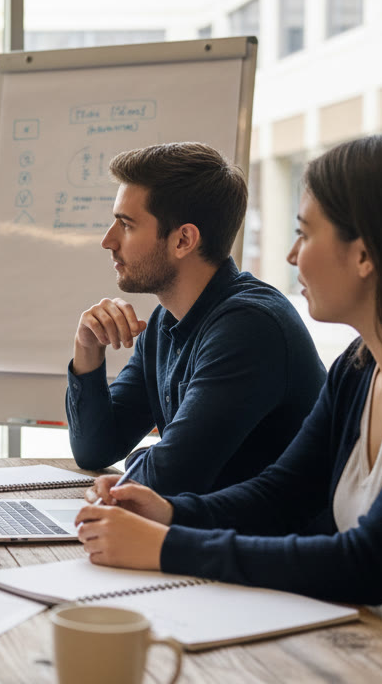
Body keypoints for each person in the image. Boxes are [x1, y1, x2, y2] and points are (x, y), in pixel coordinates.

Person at [75, 132, 382, 676]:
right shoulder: (359, 368)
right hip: (361, 646)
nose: (291, 256)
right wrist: (168, 513)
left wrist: (166, 545)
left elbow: (370, 563)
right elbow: (280, 493)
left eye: (304, 234)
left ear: (365, 255)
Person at [66, 142, 325, 495]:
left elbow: (168, 479)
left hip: (263, 545)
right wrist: (87, 351)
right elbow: (95, 449)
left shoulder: (249, 326)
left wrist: (148, 459)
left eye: (126, 225)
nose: (108, 241)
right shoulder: (165, 323)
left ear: (183, 240)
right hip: (207, 538)